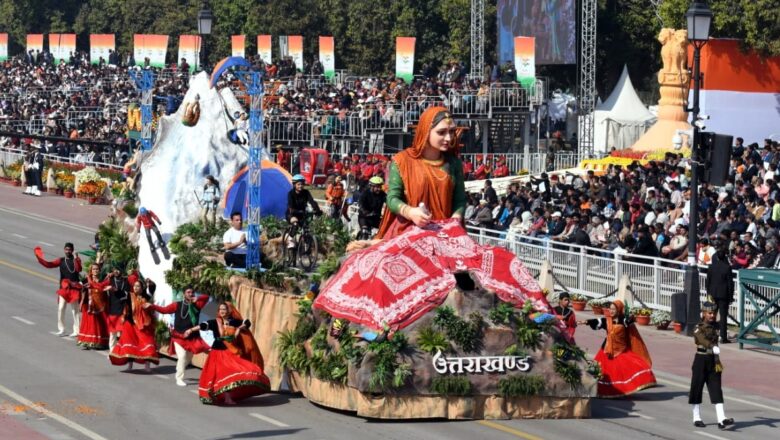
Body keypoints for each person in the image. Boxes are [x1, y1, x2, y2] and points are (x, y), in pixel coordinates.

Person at [377, 107, 466, 240]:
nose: (449, 138)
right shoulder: (402, 161)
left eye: (452, 131)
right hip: (408, 232)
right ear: (426, 132)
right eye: (441, 132)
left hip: (445, 235)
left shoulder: (454, 163)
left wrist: (454, 221)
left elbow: (460, 201)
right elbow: (392, 198)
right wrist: (410, 212)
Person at [183, 302, 270, 405]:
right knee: (218, 375)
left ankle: (228, 397)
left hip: (230, 352)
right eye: (220, 309)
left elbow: (247, 322)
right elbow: (203, 325)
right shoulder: (216, 322)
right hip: (217, 352)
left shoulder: (234, 322)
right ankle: (223, 397)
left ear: (229, 311)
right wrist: (190, 330)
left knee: (237, 371)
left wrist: (239, 328)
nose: (222, 311)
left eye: (224, 309)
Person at [579, 300, 656, 397]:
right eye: (610, 309)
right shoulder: (607, 320)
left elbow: (629, 322)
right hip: (607, 351)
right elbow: (597, 322)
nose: (611, 311)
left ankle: (622, 389)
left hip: (621, 350)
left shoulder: (623, 320)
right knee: (601, 373)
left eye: (614, 309)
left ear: (619, 310)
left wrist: (631, 317)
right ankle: (600, 391)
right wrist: (586, 322)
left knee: (627, 370)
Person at [148, 287, 210, 386]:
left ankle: (179, 368)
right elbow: (164, 310)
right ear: (183, 294)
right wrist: (152, 306)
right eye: (188, 292)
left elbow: (206, 297)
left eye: (192, 292)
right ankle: (179, 378)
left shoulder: (197, 304)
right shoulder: (177, 305)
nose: (190, 294)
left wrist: (197, 298)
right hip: (178, 336)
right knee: (182, 356)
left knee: (188, 359)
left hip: (192, 337)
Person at [689, 301, 735, 430]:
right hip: (701, 359)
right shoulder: (698, 327)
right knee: (697, 387)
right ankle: (696, 417)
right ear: (703, 313)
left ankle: (721, 419)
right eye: (709, 313)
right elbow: (702, 339)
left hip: (714, 361)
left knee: (716, 388)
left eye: (714, 313)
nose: (712, 315)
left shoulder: (716, 326)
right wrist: (712, 346)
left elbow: (723, 321)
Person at [34, 243, 82, 337]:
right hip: (63, 288)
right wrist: (39, 258)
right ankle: (61, 329)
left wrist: (76, 258)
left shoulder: (76, 260)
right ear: (64, 250)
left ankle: (76, 330)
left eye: (70, 249)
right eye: (66, 249)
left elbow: (79, 269)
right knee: (60, 308)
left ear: (72, 250)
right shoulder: (61, 260)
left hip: (74, 288)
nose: (68, 251)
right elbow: (49, 265)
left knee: (75, 310)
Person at [110, 279, 159, 371]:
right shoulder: (129, 295)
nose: (135, 288)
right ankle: (130, 365)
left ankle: (147, 365)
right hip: (130, 324)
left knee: (147, 343)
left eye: (138, 286)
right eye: (134, 286)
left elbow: (153, 287)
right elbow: (120, 293)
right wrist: (114, 289)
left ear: (142, 288)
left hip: (144, 324)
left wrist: (150, 282)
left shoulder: (146, 296)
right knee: (130, 345)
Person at [77, 263, 109, 350]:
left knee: (100, 324)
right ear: (91, 270)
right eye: (94, 269)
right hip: (89, 305)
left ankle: (99, 343)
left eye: (97, 269)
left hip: (100, 305)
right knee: (89, 324)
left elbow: (105, 291)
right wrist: (81, 303)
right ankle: (87, 342)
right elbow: (81, 290)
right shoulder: (86, 280)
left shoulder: (103, 280)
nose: (95, 271)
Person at [105, 262, 130, 350]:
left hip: (122, 310)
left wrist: (115, 289)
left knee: (122, 332)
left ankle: (120, 351)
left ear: (122, 271)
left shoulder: (125, 282)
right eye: (115, 269)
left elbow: (127, 295)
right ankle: (112, 352)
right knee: (112, 333)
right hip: (112, 310)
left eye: (118, 269)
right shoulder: (110, 280)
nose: (116, 271)